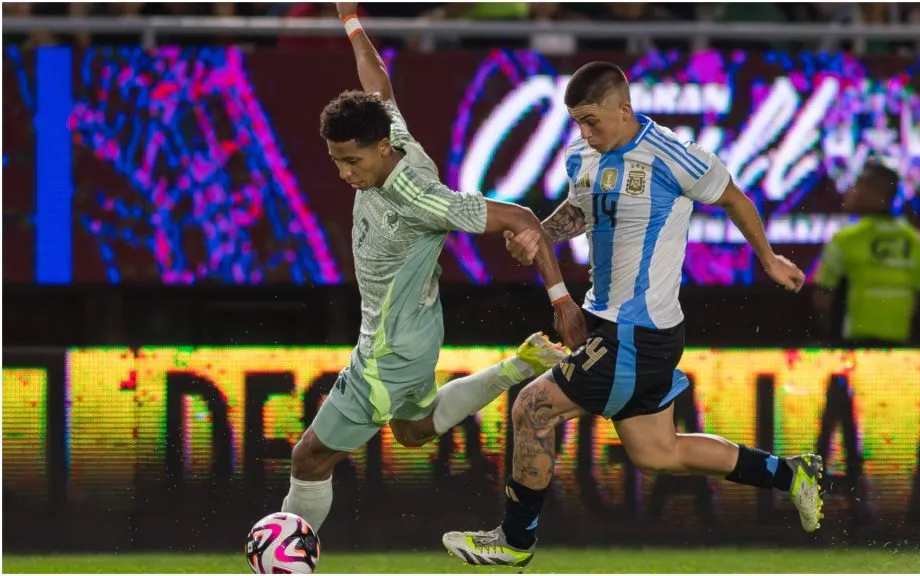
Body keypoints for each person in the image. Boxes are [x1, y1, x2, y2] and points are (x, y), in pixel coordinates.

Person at [442, 62, 823, 567]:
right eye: (577, 122)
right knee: (657, 452)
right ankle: (790, 473)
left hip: (638, 333)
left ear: (624, 109)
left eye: (592, 121)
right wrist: (541, 235)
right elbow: (581, 211)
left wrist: (768, 258)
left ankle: (514, 541)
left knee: (533, 408)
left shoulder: (671, 155)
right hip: (612, 326)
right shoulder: (581, 155)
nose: (584, 133)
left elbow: (733, 198)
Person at [280, 2, 588, 536]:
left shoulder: (421, 196)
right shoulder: (393, 134)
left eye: (352, 161)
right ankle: (519, 366)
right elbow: (377, 79)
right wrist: (351, 20)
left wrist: (561, 298)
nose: (344, 173)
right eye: (336, 161)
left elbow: (520, 218)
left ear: (382, 149)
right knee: (414, 430)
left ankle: (286, 563)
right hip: (418, 332)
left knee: (309, 459)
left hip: (389, 351)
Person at [811, 158, 920, 346]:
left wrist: (831, 340)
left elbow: (822, 298)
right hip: (901, 346)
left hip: (855, 346)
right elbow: (917, 299)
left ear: (875, 194)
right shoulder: (915, 241)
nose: (850, 192)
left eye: (857, 186)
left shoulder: (845, 239)